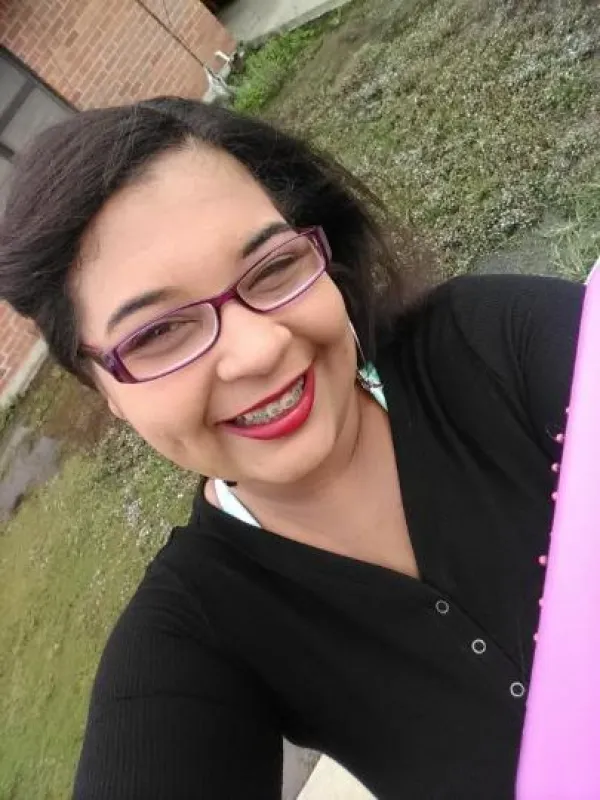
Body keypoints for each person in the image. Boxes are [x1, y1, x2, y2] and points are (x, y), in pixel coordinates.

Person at [0, 97, 584, 800]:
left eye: (272, 268)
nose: (259, 349)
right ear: (105, 394)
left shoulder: (492, 345)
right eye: (158, 333)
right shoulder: (197, 631)